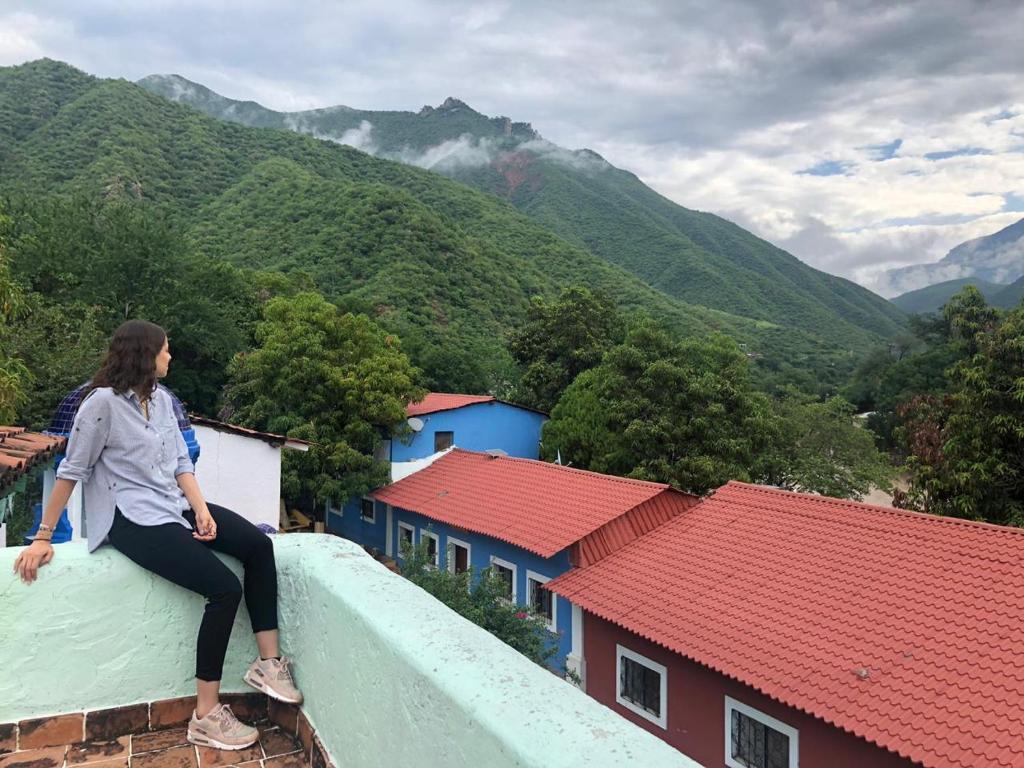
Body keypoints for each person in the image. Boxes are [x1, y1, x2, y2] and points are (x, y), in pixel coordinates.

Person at [13, 320, 302, 751]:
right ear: (146, 355)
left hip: (174, 505)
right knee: (224, 588)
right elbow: (71, 470)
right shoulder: (101, 405)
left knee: (258, 546)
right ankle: (205, 714)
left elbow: (182, 462)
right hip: (131, 519)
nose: (170, 357)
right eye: (166, 350)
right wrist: (42, 536)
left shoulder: (163, 401)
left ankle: (268, 663)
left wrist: (202, 512)